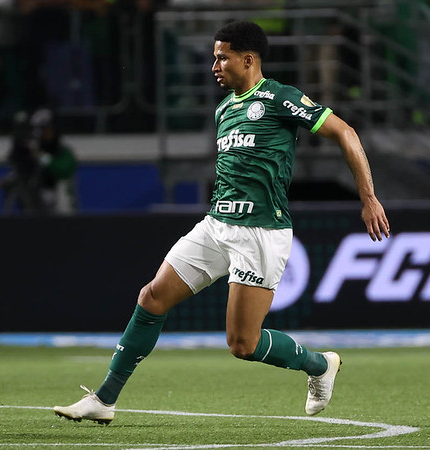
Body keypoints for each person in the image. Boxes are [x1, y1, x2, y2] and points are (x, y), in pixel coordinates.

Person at [53, 21, 390, 424]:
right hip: (216, 225)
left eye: (221, 57)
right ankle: (104, 399)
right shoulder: (224, 109)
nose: (214, 66)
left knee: (243, 344)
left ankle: (319, 365)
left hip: (261, 231)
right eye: (214, 58)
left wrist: (368, 198)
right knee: (152, 297)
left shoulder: (280, 98)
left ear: (247, 60)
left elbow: (346, 133)